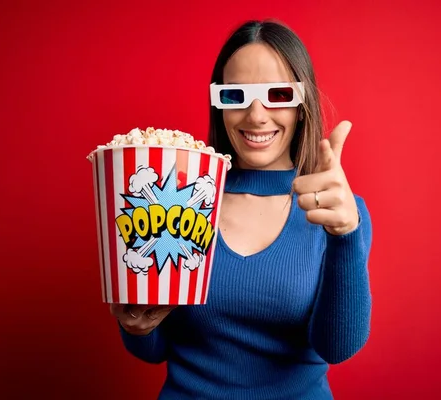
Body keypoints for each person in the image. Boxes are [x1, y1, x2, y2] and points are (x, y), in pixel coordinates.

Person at [109, 19, 373, 400]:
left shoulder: (341, 213)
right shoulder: (179, 201)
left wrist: (345, 236)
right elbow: (156, 350)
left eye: (278, 94)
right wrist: (138, 326)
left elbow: (337, 348)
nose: (256, 114)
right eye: (235, 95)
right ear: (219, 104)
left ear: (302, 105)